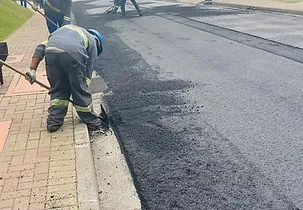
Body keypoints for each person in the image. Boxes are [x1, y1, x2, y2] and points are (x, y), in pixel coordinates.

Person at [25, 25, 105, 135]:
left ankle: (54, 122)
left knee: (58, 89)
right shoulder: (93, 41)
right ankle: (93, 122)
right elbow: (87, 73)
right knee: (80, 90)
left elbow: (40, 47)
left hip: (51, 54)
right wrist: (80, 88)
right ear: (98, 42)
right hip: (72, 54)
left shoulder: (63, 31)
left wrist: (32, 69)